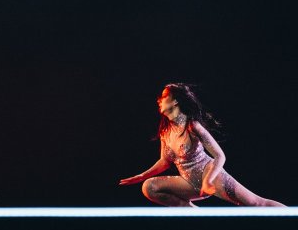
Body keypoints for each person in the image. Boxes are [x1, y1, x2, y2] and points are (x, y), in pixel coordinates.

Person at [119, 83, 286, 207]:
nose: (159, 100)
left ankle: (296, 217)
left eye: (163, 96)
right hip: (188, 182)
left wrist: (208, 180)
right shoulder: (166, 131)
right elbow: (164, 161)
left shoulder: (192, 126)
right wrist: (142, 176)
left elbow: (220, 156)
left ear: (175, 101)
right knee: (149, 187)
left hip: (211, 176)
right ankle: (197, 216)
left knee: (256, 204)